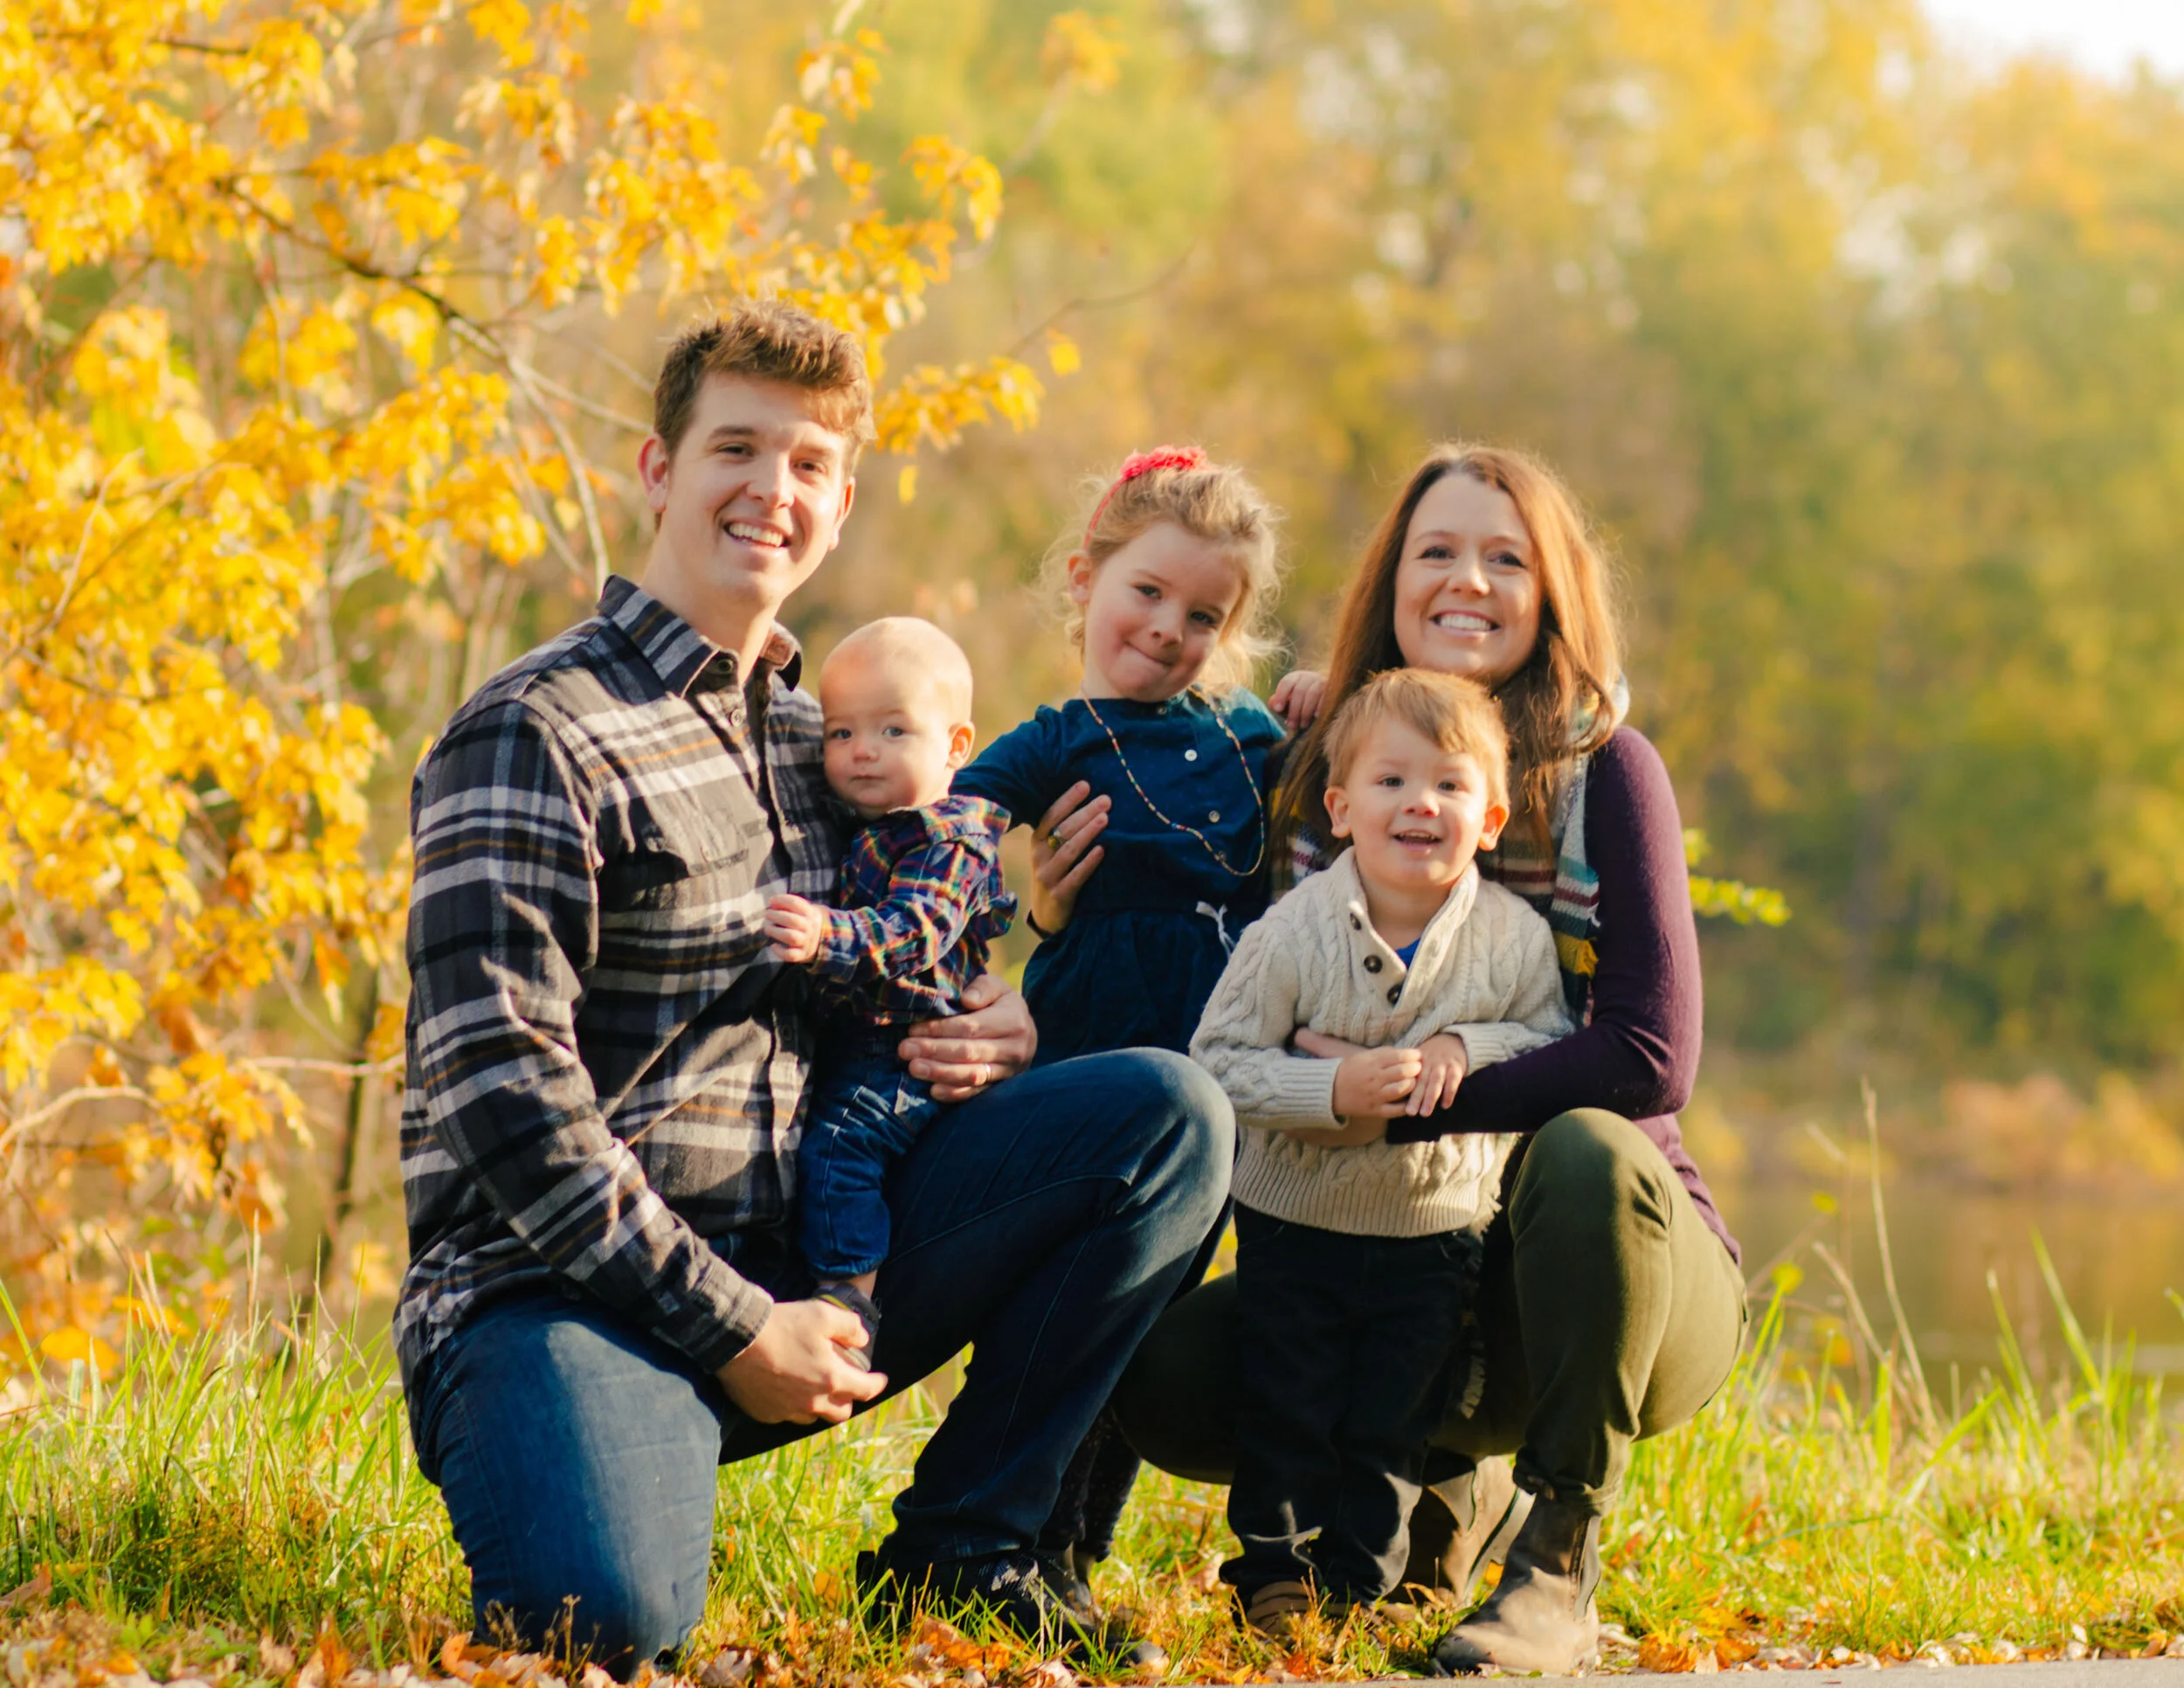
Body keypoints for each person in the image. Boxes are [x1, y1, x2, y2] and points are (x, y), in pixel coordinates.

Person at [394, 299, 1228, 1675]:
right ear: (659, 473)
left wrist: (1001, 1015)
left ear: (840, 503)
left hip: (821, 1252)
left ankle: (965, 1550)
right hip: (564, 1294)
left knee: (1163, 1117)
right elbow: (503, 1098)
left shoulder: (828, 739)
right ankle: (614, 1453)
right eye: (735, 450)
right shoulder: (537, 732)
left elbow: (921, 931)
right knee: (605, 1621)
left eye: (806, 466)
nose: (768, 492)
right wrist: (737, 1328)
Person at [1042, 443, 1745, 1675]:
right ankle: (1426, 1483)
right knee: (1164, 1376)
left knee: (1583, 1155)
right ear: (1394, 578)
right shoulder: (1320, 769)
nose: (1467, 579)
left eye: (1505, 557)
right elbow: (1195, 959)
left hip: (1601, 1279)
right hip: (1383, 1251)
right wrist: (1041, 919)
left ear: (1552, 591)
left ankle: (1555, 1563)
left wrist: (1413, 1092)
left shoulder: (1604, 775)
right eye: (1437, 550)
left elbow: (1647, 1059)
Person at [946, 445, 1293, 1601]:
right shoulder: (1057, 740)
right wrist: (1002, 925)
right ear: (1087, 577)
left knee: (1145, 1321)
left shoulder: (1251, 742)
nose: (1167, 626)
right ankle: (1010, 1536)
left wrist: (1321, 701)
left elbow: (1368, 769)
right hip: (1089, 1061)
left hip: (1227, 1078)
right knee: (1063, 1314)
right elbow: (946, 822)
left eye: (1206, 613)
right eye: (1147, 590)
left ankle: (1075, 1564)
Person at [1190, 669, 1572, 1636]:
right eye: (1392, 781)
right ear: (1341, 805)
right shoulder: (1293, 931)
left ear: (1489, 818)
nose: (1419, 805)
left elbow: (1546, 1039)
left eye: (1448, 786)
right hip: (1293, 1219)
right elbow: (1218, 1064)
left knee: (1396, 1415)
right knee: (1286, 1397)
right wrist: (1329, 1090)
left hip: (1434, 1226)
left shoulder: (1512, 939)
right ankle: (1272, 1575)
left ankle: (1359, 1583)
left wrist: (1460, 1050)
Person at [762, 618, 1013, 1368]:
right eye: (841, 734)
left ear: (956, 747)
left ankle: (848, 1303)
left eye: (893, 730)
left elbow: (917, 931)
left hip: (906, 1046)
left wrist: (826, 936)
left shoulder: (949, 842)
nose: (861, 751)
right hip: (862, 1034)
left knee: (840, 1150)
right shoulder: (869, 825)